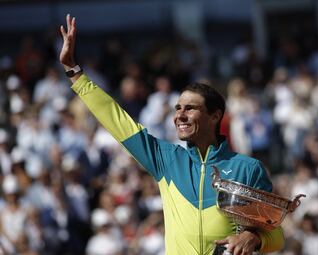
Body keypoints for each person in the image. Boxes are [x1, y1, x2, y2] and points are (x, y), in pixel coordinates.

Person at [59, 14, 284, 255]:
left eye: (190, 108)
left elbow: (276, 235)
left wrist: (253, 237)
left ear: (215, 116)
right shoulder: (166, 160)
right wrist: (75, 72)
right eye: (178, 108)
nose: (180, 115)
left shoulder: (247, 169)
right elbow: (118, 122)